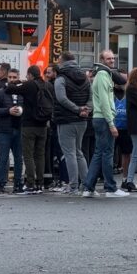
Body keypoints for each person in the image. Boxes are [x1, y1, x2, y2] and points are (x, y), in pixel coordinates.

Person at [83, 50, 129, 198]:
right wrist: (111, 123)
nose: (112, 60)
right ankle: (110, 188)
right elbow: (104, 101)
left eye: (113, 58)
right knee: (107, 153)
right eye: (108, 58)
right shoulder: (103, 76)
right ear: (102, 60)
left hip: (100, 118)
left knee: (99, 153)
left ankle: (88, 187)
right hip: (104, 118)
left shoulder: (102, 75)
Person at [6, 64, 52, 194]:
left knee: (28, 155)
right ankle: (40, 184)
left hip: (29, 124)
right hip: (43, 124)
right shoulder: (47, 85)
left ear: (30, 75)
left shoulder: (29, 85)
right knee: (40, 155)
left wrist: (18, 81)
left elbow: (9, 89)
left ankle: (30, 183)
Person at [53, 53, 92, 195]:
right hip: (82, 120)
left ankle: (74, 185)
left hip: (66, 120)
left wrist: (77, 109)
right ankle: (87, 184)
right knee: (78, 152)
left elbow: (61, 99)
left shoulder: (61, 78)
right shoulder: (85, 77)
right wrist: (86, 109)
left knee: (69, 153)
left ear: (61, 62)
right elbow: (91, 97)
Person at [0, 68, 25, 195]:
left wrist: (21, 110)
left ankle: (18, 183)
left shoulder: (23, 92)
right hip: (4, 129)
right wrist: (8, 111)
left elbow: (28, 107)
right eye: (10, 77)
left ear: (18, 77)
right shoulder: (0, 92)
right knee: (3, 159)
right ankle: (0, 184)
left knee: (18, 158)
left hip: (19, 129)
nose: (12, 79)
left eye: (14, 77)